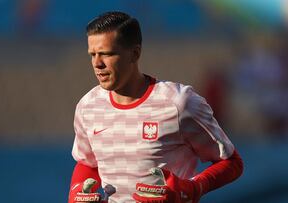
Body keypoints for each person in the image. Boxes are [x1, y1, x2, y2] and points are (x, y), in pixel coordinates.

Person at [69, 11, 243, 203]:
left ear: (134, 53)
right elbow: (87, 163)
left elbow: (231, 163)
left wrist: (193, 188)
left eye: (107, 54)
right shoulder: (88, 106)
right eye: (92, 55)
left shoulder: (179, 103)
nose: (97, 63)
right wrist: (77, 191)